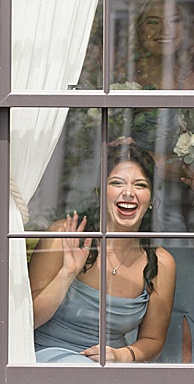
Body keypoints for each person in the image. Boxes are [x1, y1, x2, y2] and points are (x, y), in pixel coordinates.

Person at [28, 146, 176, 364]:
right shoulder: (66, 235)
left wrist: (120, 355)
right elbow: (27, 320)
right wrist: (67, 273)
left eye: (140, 185)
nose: (128, 192)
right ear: (100, 192)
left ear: (152, 198)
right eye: (117, 183)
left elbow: (153, 339)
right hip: (48, 357)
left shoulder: (161, 263)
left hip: (111, 368)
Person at [128, 0, 194, 91]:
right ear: (139, 29)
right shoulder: (125, 73)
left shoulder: (191, 80)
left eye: (174, 21)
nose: (165, 31)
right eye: (154, 22)